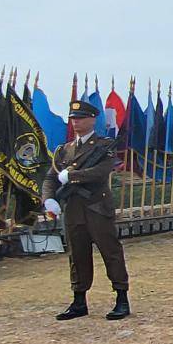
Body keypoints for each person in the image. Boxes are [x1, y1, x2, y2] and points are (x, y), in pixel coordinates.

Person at [42, 98, 130, 321]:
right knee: (77, 255)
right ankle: (79, 300)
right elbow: (51, 177)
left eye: (80, 118)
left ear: (92, 119)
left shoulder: (103, 146)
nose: (75, 123)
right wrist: (49, 198)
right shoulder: (64, 150)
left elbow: (101, 172)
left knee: (110, 252)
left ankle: (121, 298)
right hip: (73, 209)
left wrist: (72, 176)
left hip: (96, 207)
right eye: (73, 118)